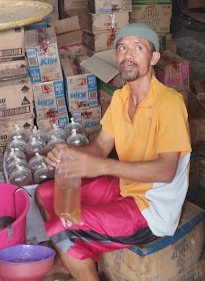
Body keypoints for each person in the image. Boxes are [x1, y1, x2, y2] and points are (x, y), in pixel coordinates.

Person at [36, 23, 191, 281]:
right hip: (124, 187)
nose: (127, 55)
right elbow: (99, 148)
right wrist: (69, 153)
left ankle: (75, 259)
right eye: (122, 48)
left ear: (154, 58)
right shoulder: (121, 98)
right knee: (45, 192)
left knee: (62, 228)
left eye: (138, 48)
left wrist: (103, 166)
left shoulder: (169, 103)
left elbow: (166, 171)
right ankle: (69, 261)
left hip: (151, 209)